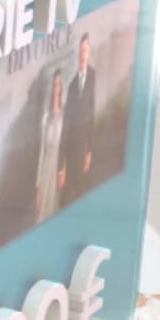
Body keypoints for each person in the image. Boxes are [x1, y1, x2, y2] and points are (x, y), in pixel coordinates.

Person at [63, 33, 99, 198]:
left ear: (88, 51)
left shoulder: (93, 76)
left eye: (85, 49)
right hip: (71, 146)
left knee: (81, 187)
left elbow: (92, 112)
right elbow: (67, 120)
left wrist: (89, 151)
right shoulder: (71, 85)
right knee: (70, 188)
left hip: (84, 145)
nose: (82, 53)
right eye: (81, 50)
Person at [34, 71, 67, 224]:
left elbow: (65, 144)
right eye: (54, 84)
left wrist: (63, 169)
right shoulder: (46, 118)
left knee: (55, 207)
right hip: (46, 166)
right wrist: (38, 186)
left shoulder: (64, 114)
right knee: (41, 211)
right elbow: (42, 151)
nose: (56, 87)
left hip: (58, 167)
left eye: (58, 84)